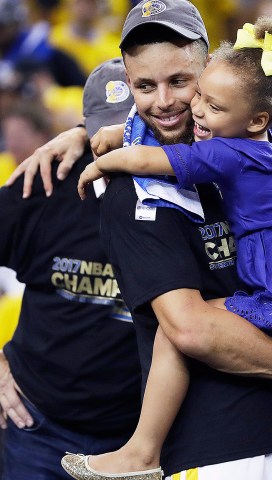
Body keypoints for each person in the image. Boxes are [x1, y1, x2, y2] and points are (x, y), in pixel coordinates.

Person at [8, 2, 272, 479]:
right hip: (192, 441)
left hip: (271, 441)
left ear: (213, 73)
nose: (166, 101)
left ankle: (141, 450)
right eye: (145, 87)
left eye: (182, 82)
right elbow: (192, 328)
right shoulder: (130, 193)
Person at [0, 57, 142, 480]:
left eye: (131, 127)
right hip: (38, 428)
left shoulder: (186, 194)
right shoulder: (42, 184)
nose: (117, 141)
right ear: (87, 128)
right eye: (102, 129)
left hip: (137, 441)